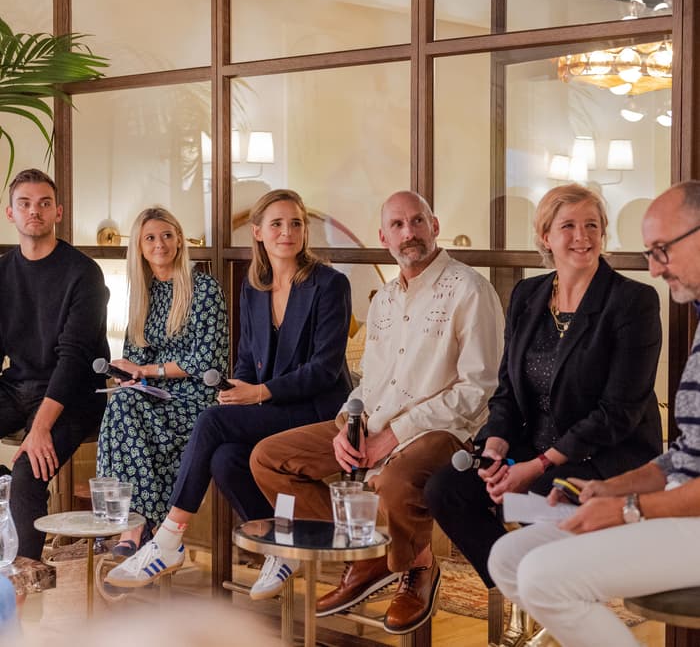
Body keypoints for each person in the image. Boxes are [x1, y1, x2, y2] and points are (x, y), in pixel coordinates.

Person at [250, 190, 505, 635]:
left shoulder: (470, 290)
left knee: (393, 481)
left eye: (418, 222)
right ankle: (371, 557)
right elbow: (369, 382)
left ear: (435, 226)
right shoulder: (384, 299)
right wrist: (349, 426)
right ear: (384, 236)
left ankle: (415, 565)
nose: (410, 234)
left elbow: (478, 390)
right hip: (377, 425)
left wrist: (394, 434)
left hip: (446, 430)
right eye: (399, 226)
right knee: (268, 458)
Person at [485, 181, 700, 647]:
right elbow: (686, 455)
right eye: (649, 251)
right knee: (506, 558)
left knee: (543, 576)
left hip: (687, 516)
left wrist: (626, 508)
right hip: (672, 500)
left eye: (662, 249)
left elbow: (618, 412)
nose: (654, 267)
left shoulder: (630, 302)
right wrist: (612, 488)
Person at [105, 189, 352, 588]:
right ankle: (278, 547)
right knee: (223, 460)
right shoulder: (255, 288)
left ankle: (169, 536)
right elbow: (245, 359)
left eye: (296, 223)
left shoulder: (330, 284)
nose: (287, 232)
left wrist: (257, 394)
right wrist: (236, 388)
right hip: (271, 405)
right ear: (258, 233)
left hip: (318, 409)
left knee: (212, 422)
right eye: (276, 224)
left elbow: (324, 371)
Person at [425, 184, 663, 594]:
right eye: (568, 225)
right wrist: (497, 443)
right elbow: (506, 389)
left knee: (542, 493)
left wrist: (536, 467)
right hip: (529, 447)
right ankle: (529, 587)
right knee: (447, 489)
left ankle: (556, 591)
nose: (582, 236)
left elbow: (617, 413)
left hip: (603, 454)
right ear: (545, 237)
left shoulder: (632, 301)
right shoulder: (527, 295)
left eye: (592, 225)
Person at [96, 207, 228, 555]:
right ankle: (140, 527)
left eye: (167, 235)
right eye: (150, 238)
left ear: (180, 239)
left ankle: (132, 527)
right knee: (121, 403)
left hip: (196, 399)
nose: (160, 244)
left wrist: (149, 372)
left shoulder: (204, 288)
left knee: (125, 414)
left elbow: (208, 361)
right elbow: (135, 357)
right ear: (139, 247)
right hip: (153, 396)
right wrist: (128, 376)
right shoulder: (143, 293)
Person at [0, 169, 109, 560]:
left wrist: (40, 428)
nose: (35, 211)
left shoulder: (84, 274)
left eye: (44, 203)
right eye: (25, 204)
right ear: (11, 213)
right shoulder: (2, 273)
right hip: (18, 387)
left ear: (58, 212)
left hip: (75, 395)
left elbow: (74, 358)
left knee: (29, 473)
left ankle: (26, 579)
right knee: (15, 479)